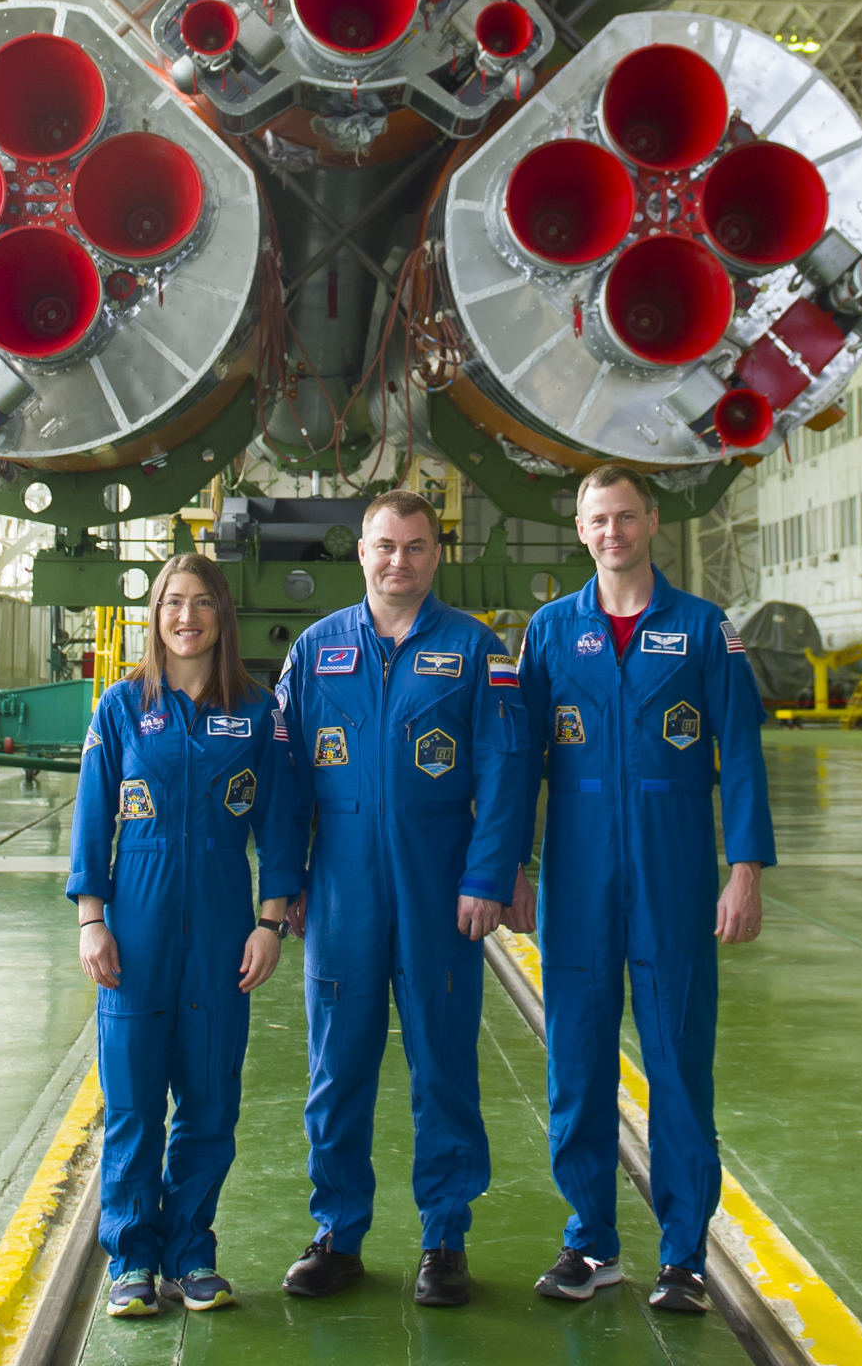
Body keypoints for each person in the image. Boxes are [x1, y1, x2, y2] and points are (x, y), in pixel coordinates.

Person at [507, 465, 775, 1316]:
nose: (611, 532)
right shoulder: (550, 632)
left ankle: (684, 1257)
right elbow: (520, 765)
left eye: (625, 516)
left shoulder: (703, 630)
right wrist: (511, 866)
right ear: (579, 529)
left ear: (651, 522)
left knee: (677, 1064)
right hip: (578, 870)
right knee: (576, 1065)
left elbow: (740, 756)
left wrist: (744, 872)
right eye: (597, 519)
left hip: (674, 867)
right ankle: (590, 1242)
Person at [277, 489, 529, 1309]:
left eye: (415, 547)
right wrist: (284, 890)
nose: (398, 561)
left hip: (436, 886)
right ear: (359, 553)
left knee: (443, 1065)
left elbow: (504, 770)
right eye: (384, 546)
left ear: (435, 556)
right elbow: (285, 786)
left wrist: (488, 876)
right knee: (335, 1067)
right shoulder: (315, 652)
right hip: (342, 889)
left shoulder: (473, 649)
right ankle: (337, 1232)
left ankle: (443, 1238)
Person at [68, 553, 302, 1318]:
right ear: (155, 615)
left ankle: (191, 1253)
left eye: (202, 602)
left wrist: (270, 924)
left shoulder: (259, 712)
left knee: (208, 1101)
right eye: (173, 601)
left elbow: (279, 826)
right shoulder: (121, 708)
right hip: (135, 921)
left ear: (222, 616)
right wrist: (91, 918)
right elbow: (93, 820)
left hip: (222, 920)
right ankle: (132, 1258)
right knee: (134, 1101)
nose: (186, 616)